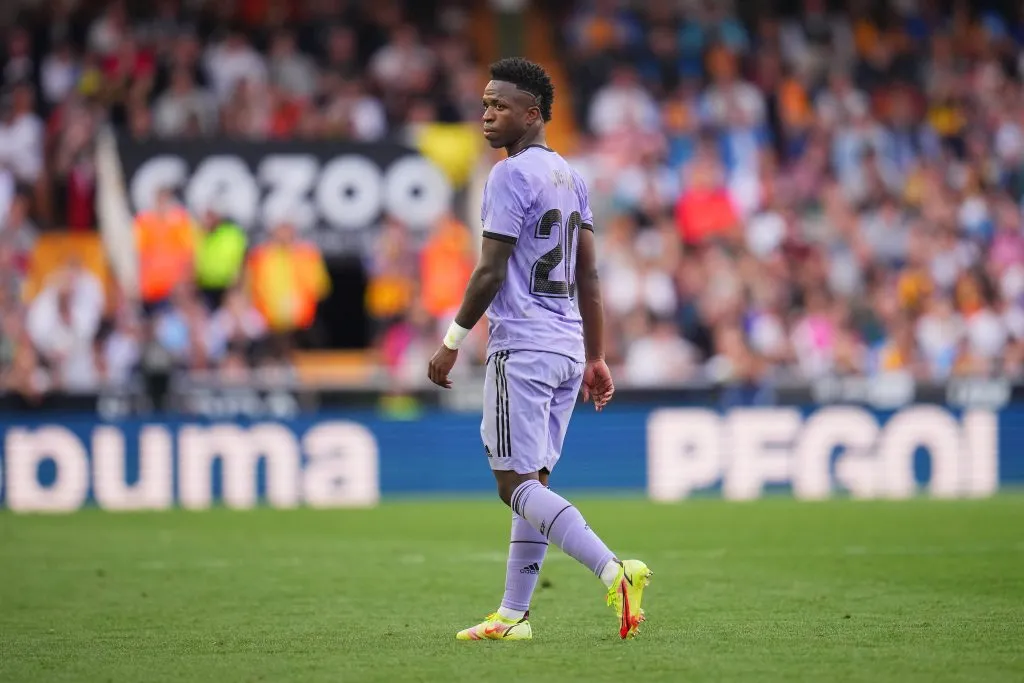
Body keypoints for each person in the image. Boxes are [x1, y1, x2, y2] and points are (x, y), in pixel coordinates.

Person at [427, 58, 652, 641]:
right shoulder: (572, 177)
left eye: (497, 106)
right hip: (565, 349)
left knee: (512, 485)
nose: (485, 115)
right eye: (483, 104)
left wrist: (451, 343)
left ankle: (613, 569)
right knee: (534, 487)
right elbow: (591, 278)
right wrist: (597, 356)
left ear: (532, 114)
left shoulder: (508, 176)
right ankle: (513, 615)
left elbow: (490, 270)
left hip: (521, 347)